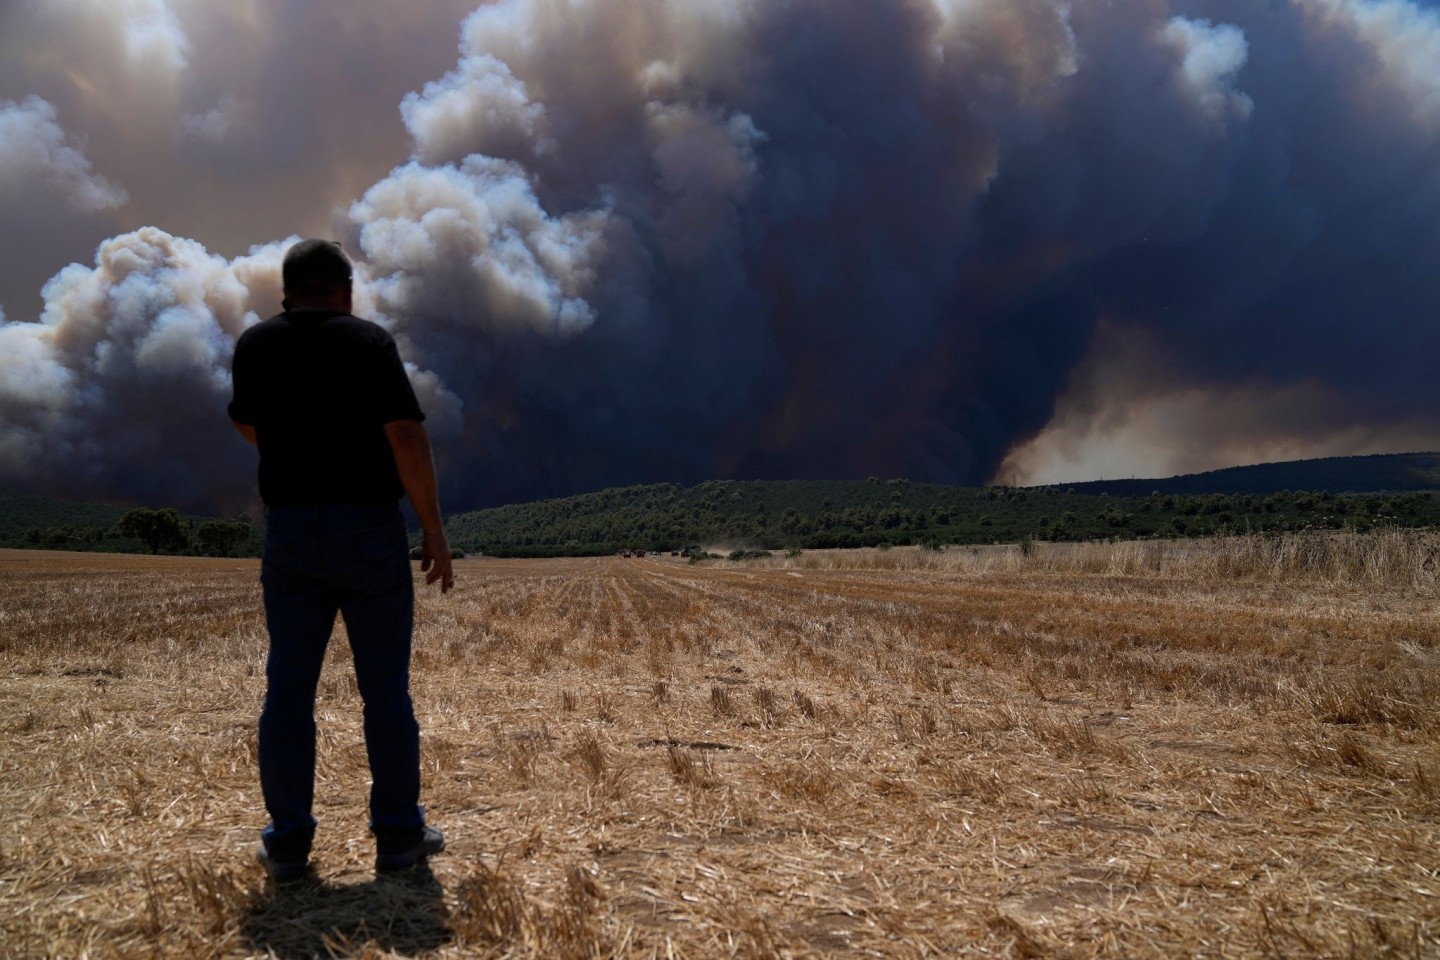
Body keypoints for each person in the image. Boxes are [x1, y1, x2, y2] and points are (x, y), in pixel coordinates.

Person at [228, 239, 454, 882]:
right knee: (384, 691)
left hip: (292, 530)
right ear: (346, 289)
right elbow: (405, 433)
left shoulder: (256, 344)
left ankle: (290, 847)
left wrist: (296, 435)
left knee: (288, 693)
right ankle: (398, 840)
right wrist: (433, 530)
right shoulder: (369, 342)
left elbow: (248, 426)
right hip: (368, 530)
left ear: (286, 291)